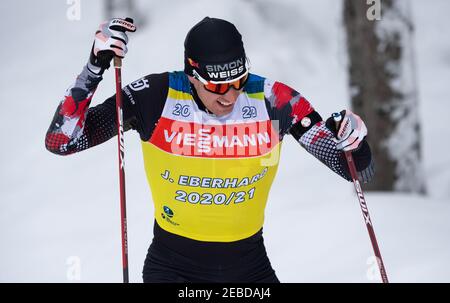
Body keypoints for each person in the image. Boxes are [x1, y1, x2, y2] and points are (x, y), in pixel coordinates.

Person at [45, 17, 374, 283]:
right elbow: (62, 142)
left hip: (249, 270)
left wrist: (353, 142)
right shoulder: (155, 97)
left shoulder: (275, 101)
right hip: (173, 270)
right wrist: (93, 69)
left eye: (239, 81)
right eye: (217, 85)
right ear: (192, 74)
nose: (230, 96)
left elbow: (352, 169)